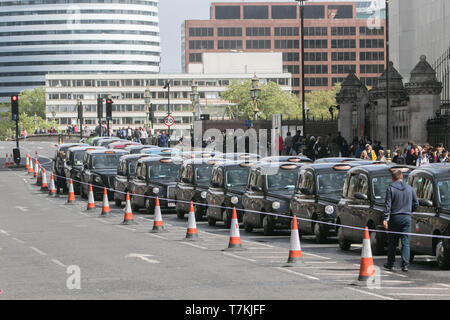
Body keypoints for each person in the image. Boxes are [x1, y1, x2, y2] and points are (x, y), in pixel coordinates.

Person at [383, 169, 419, 272]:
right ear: (402, 177)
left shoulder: (390, 188)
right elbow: (416, 203)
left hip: (394, 217)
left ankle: (390, 263)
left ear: (392, 178)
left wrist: (385, 218)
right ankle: (405, 264)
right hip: (406, 217)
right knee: (405, 242)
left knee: (392, 242)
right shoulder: (410, 188)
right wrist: (409, 211)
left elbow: (388, 205)